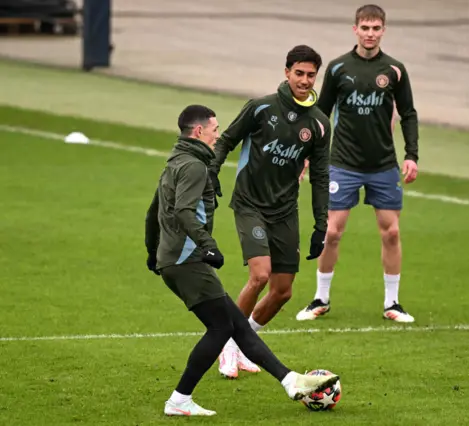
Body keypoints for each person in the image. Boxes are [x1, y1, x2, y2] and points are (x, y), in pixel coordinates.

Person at [144, 104, 338, 416]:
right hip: (188, 260)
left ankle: (289, 380)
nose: (217, 134)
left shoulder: (174, 163)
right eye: (214, 129)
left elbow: (152, 213)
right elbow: (182, 211)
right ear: (199, 131)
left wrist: (153, 253)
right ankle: (179, 399)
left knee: (234, 325)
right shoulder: (193, 166)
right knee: (222, 327)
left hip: (174, 261)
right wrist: (207, 246)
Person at [209, 45, 332, 379]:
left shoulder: (319, 125)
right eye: (299, 73)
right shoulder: (261, 107)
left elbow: (320, 177)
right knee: (260, 275)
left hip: (284, 211)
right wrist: (212, 172)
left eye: (311, 75)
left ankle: (243, 343)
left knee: (282, 291)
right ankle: (226, 346)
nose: (305, 80)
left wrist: (322, 225)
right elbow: (226, 140)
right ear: (287, 72)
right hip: (250, 204)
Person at [296, 4, 419, 323]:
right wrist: (307, 156)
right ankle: (320, 298)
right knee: (332, 232)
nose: (370, 34)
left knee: (391, 232)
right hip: (343, 164)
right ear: (355, 30)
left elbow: (408, 113)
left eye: (376, 28)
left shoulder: (395, 70)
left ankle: (392, 304)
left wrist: (411, 155)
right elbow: (320, 114)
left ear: (383, 31)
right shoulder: (338, 69)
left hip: (383, 165)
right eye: (364, 28)